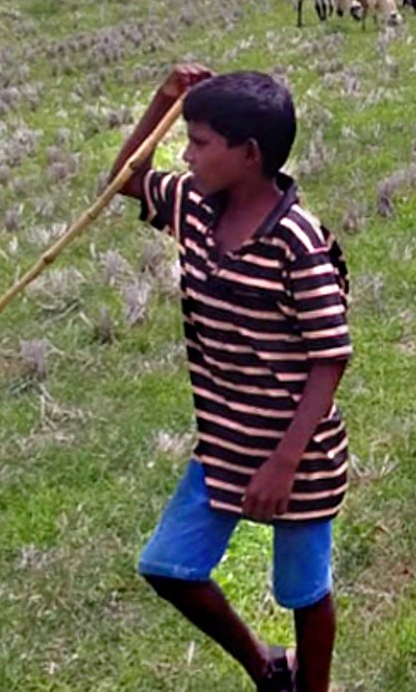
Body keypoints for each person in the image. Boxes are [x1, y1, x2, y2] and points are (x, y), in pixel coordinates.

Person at [111, 65, 353, 692]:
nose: (185, 155)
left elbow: (330, 357)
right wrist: (164, 98)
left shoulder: (296, 242)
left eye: (198, 142)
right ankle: (267, 668)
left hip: (295, 454)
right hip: (223, 444)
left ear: (248, 155)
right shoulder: (192, 205)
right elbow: (126, 179)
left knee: (303, 592)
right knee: (169, 567)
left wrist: (283, 463)